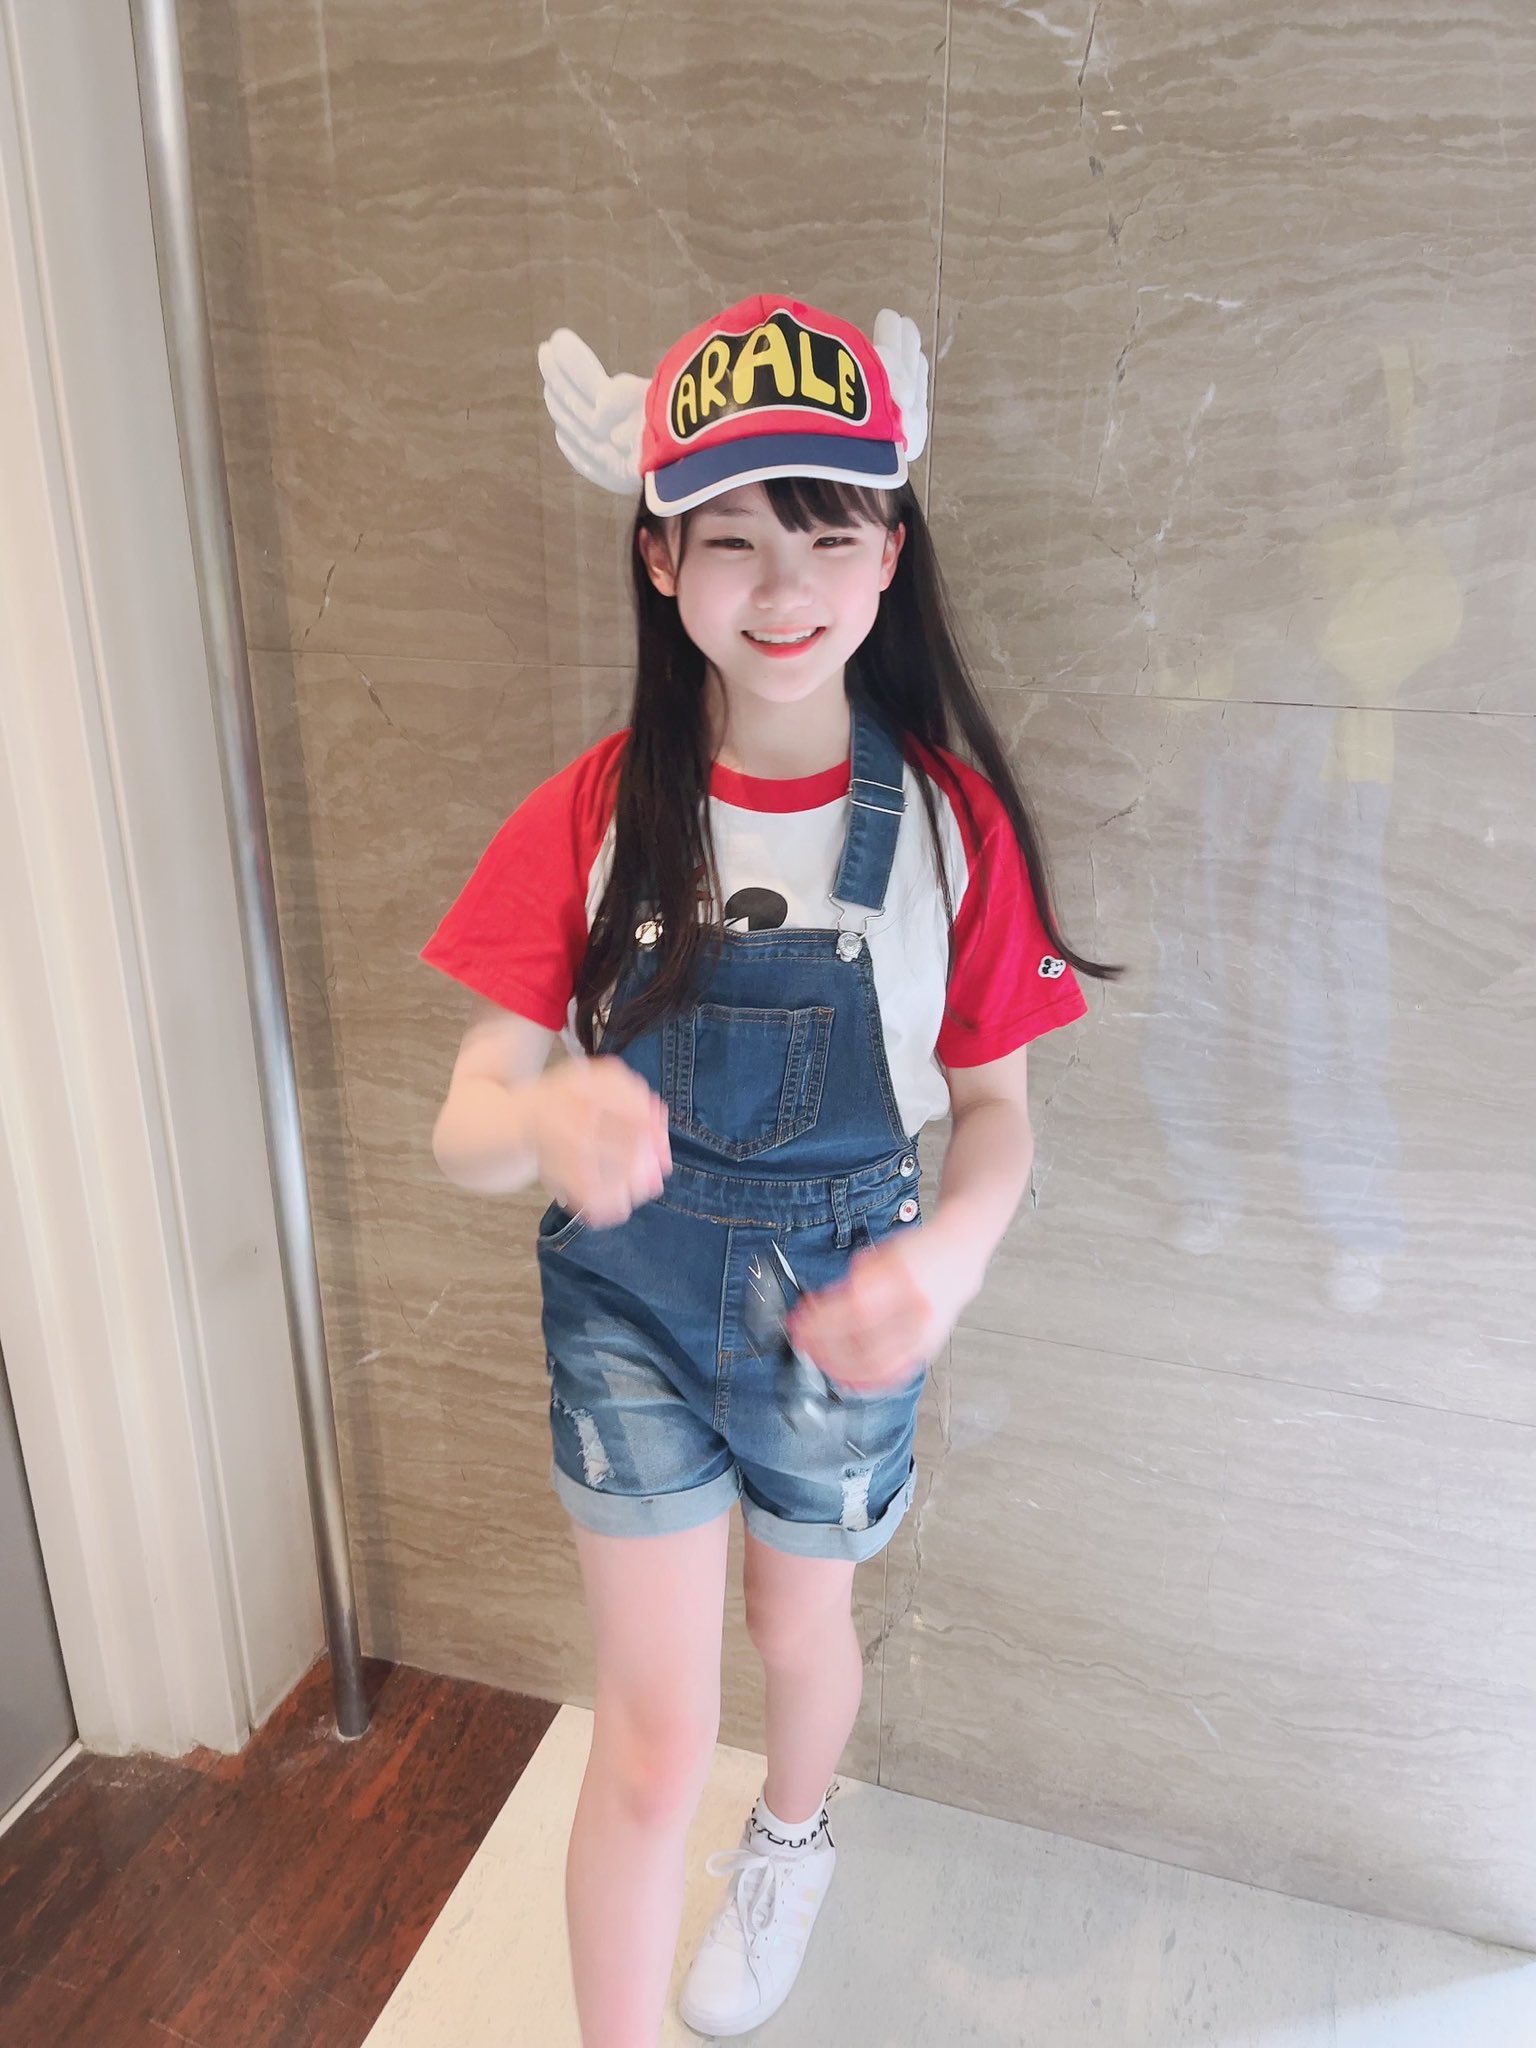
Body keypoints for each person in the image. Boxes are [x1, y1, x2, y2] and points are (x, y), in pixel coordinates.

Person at [422, 292, 1117, 2047]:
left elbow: (999, 1114)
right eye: (732, 537)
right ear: (661, 561)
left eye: (828, 532)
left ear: (893, 552)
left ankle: (793, 1841)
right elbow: (466, 1118)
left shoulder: (949, 826)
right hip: (629, 1324)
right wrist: (547, 1117)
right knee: (652, 1742)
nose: (784, 584)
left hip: (843, 1308)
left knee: (799, 1632)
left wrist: (945, 1261)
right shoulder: (591, 814)